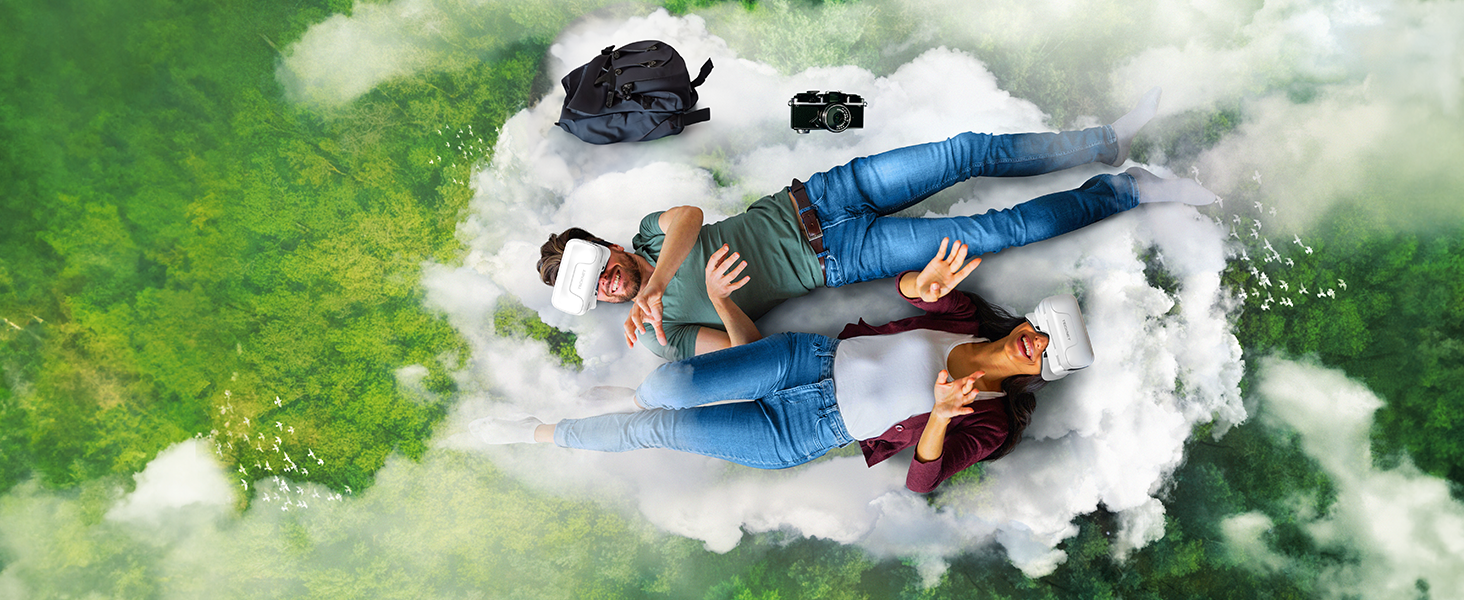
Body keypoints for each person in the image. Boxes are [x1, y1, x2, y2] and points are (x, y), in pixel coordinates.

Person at [537, 88, 1217, 362]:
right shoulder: (660, 339)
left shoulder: (653, 238)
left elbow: (688, 215)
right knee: (996, 233)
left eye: (601, 267)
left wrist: (656, 278)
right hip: (842, 257)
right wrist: (713, 299)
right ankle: (1127, 191)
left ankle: (1105, 143)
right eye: (597, 289)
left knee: (968, 151)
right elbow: (748, 353)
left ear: (608, 249)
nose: (609, 283)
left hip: (820, 195)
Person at [482, 239, 1097, 492]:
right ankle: (636, 395)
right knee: (666, 387)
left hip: (806, 431)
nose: (1034, 342)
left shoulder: (991, 424)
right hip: (804, 360)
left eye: (1047, 349)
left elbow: (922, 482)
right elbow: (916, 292)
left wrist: (938, 417)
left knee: (661, 430)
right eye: (1037, 329)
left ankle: (540, 432)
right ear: (1023, 320)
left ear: (1048, 370)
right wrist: (923, 283)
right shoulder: (964, 319)